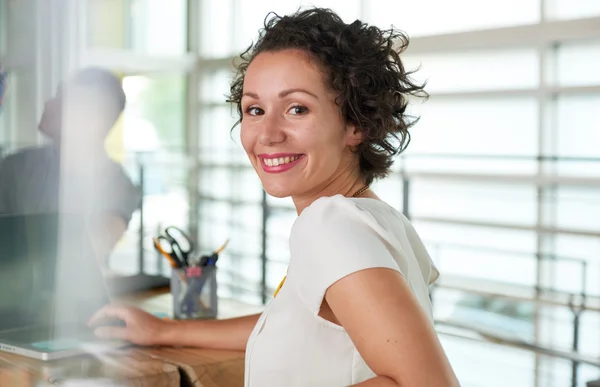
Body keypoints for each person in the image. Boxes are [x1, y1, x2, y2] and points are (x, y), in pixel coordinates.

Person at [89, 8, 460, 387]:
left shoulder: (328, 225)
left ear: (356, 124)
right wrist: (164, 332)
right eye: (255, 109)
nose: (267, 134)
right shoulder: (378, 218)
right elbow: (297, 324)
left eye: (296, 108)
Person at [0, 67, 141, 262]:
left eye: (63, 98)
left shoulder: (117, 185)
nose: (49, 103)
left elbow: (88, 251)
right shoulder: (16, 167)